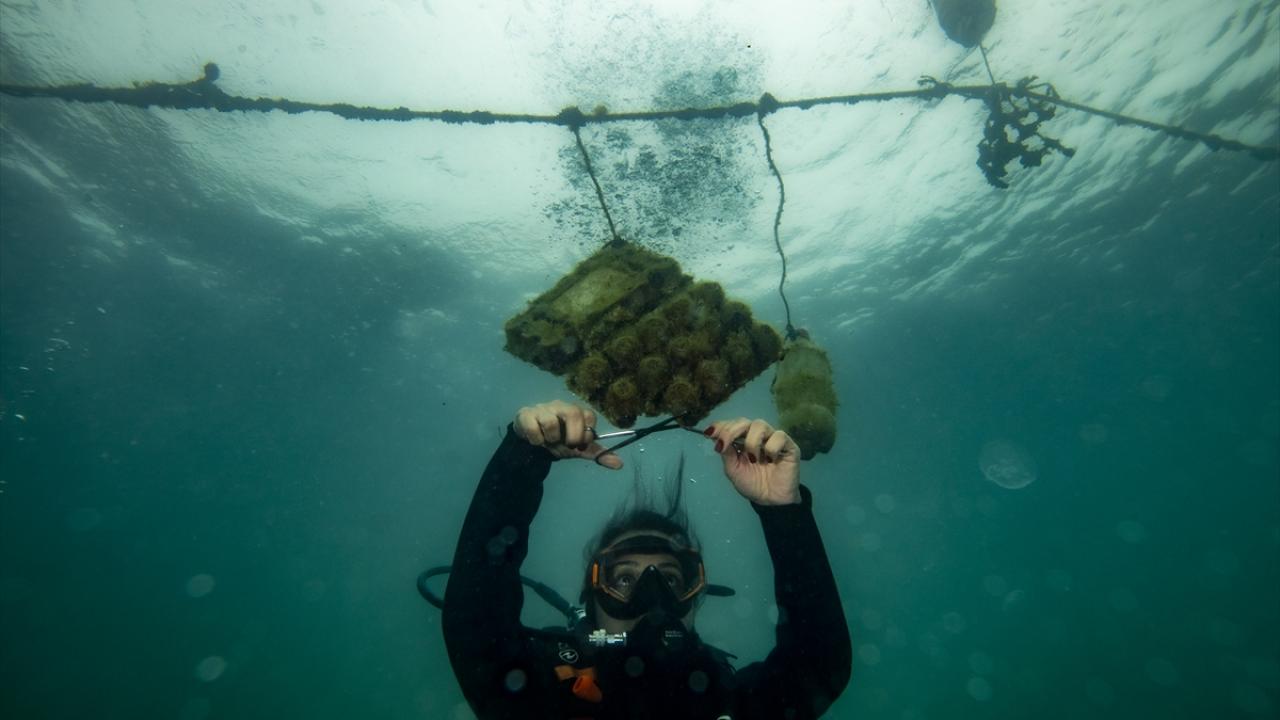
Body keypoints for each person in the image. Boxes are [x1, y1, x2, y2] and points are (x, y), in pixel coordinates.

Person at [442, 399, 851, 719]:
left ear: (696, 591)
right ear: (593, 593)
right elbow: (475, 626)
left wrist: (784, 510)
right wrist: (521, 461)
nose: (653, 600)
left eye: (672, 580)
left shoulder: (726, 702)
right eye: (623, 580)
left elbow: (818, 663)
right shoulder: (540, 692)